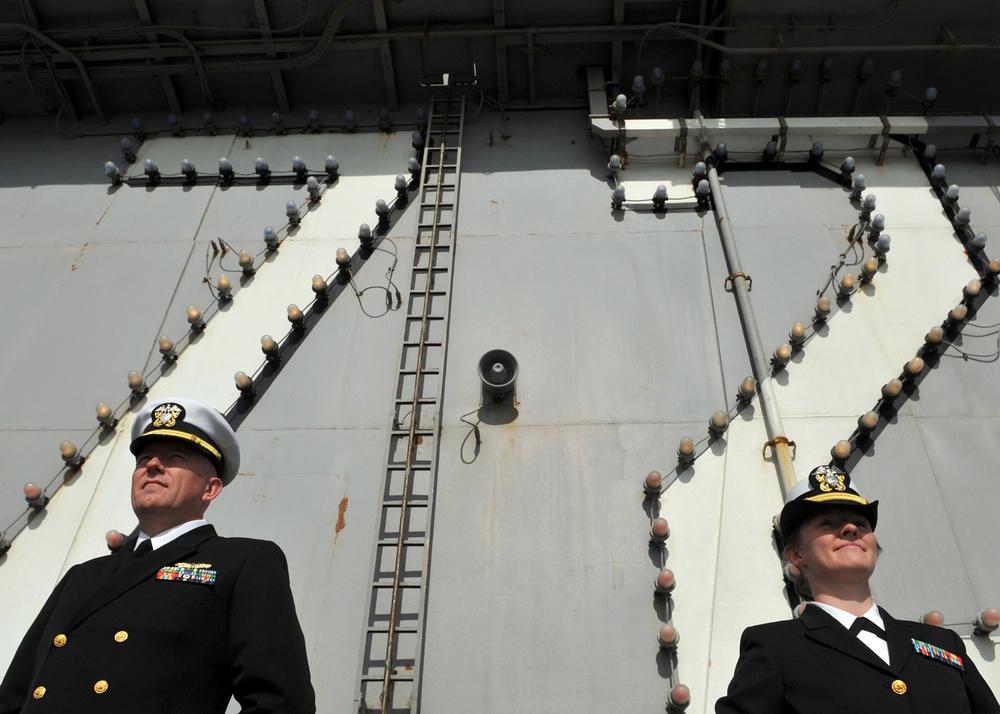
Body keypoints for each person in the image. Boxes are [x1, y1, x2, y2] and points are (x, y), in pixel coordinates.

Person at [0, 398, 316, 714]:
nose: (152, 465)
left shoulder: (242, 562)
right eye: (144, 459)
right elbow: (14, 696)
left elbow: (281, 703)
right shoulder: (83, 576)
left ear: (211, 488)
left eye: (174, 457)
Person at [716, 464, 1000, 714]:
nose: (851, 528)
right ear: (796, 555)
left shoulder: (941, 643)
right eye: (828, 522)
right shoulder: (776, 648)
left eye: (861, 523)